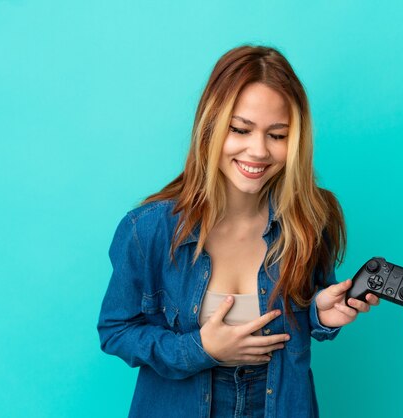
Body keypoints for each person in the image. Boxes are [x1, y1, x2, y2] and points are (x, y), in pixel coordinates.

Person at [97, 44, 380, 418]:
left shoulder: (310, 220)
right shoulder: (147, 229)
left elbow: (301, 320)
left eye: (277, 135)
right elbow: (115, 330)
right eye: (241, 129)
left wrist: (320, 316)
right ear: (211, 127)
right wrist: (201, 350)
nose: (258, 150)